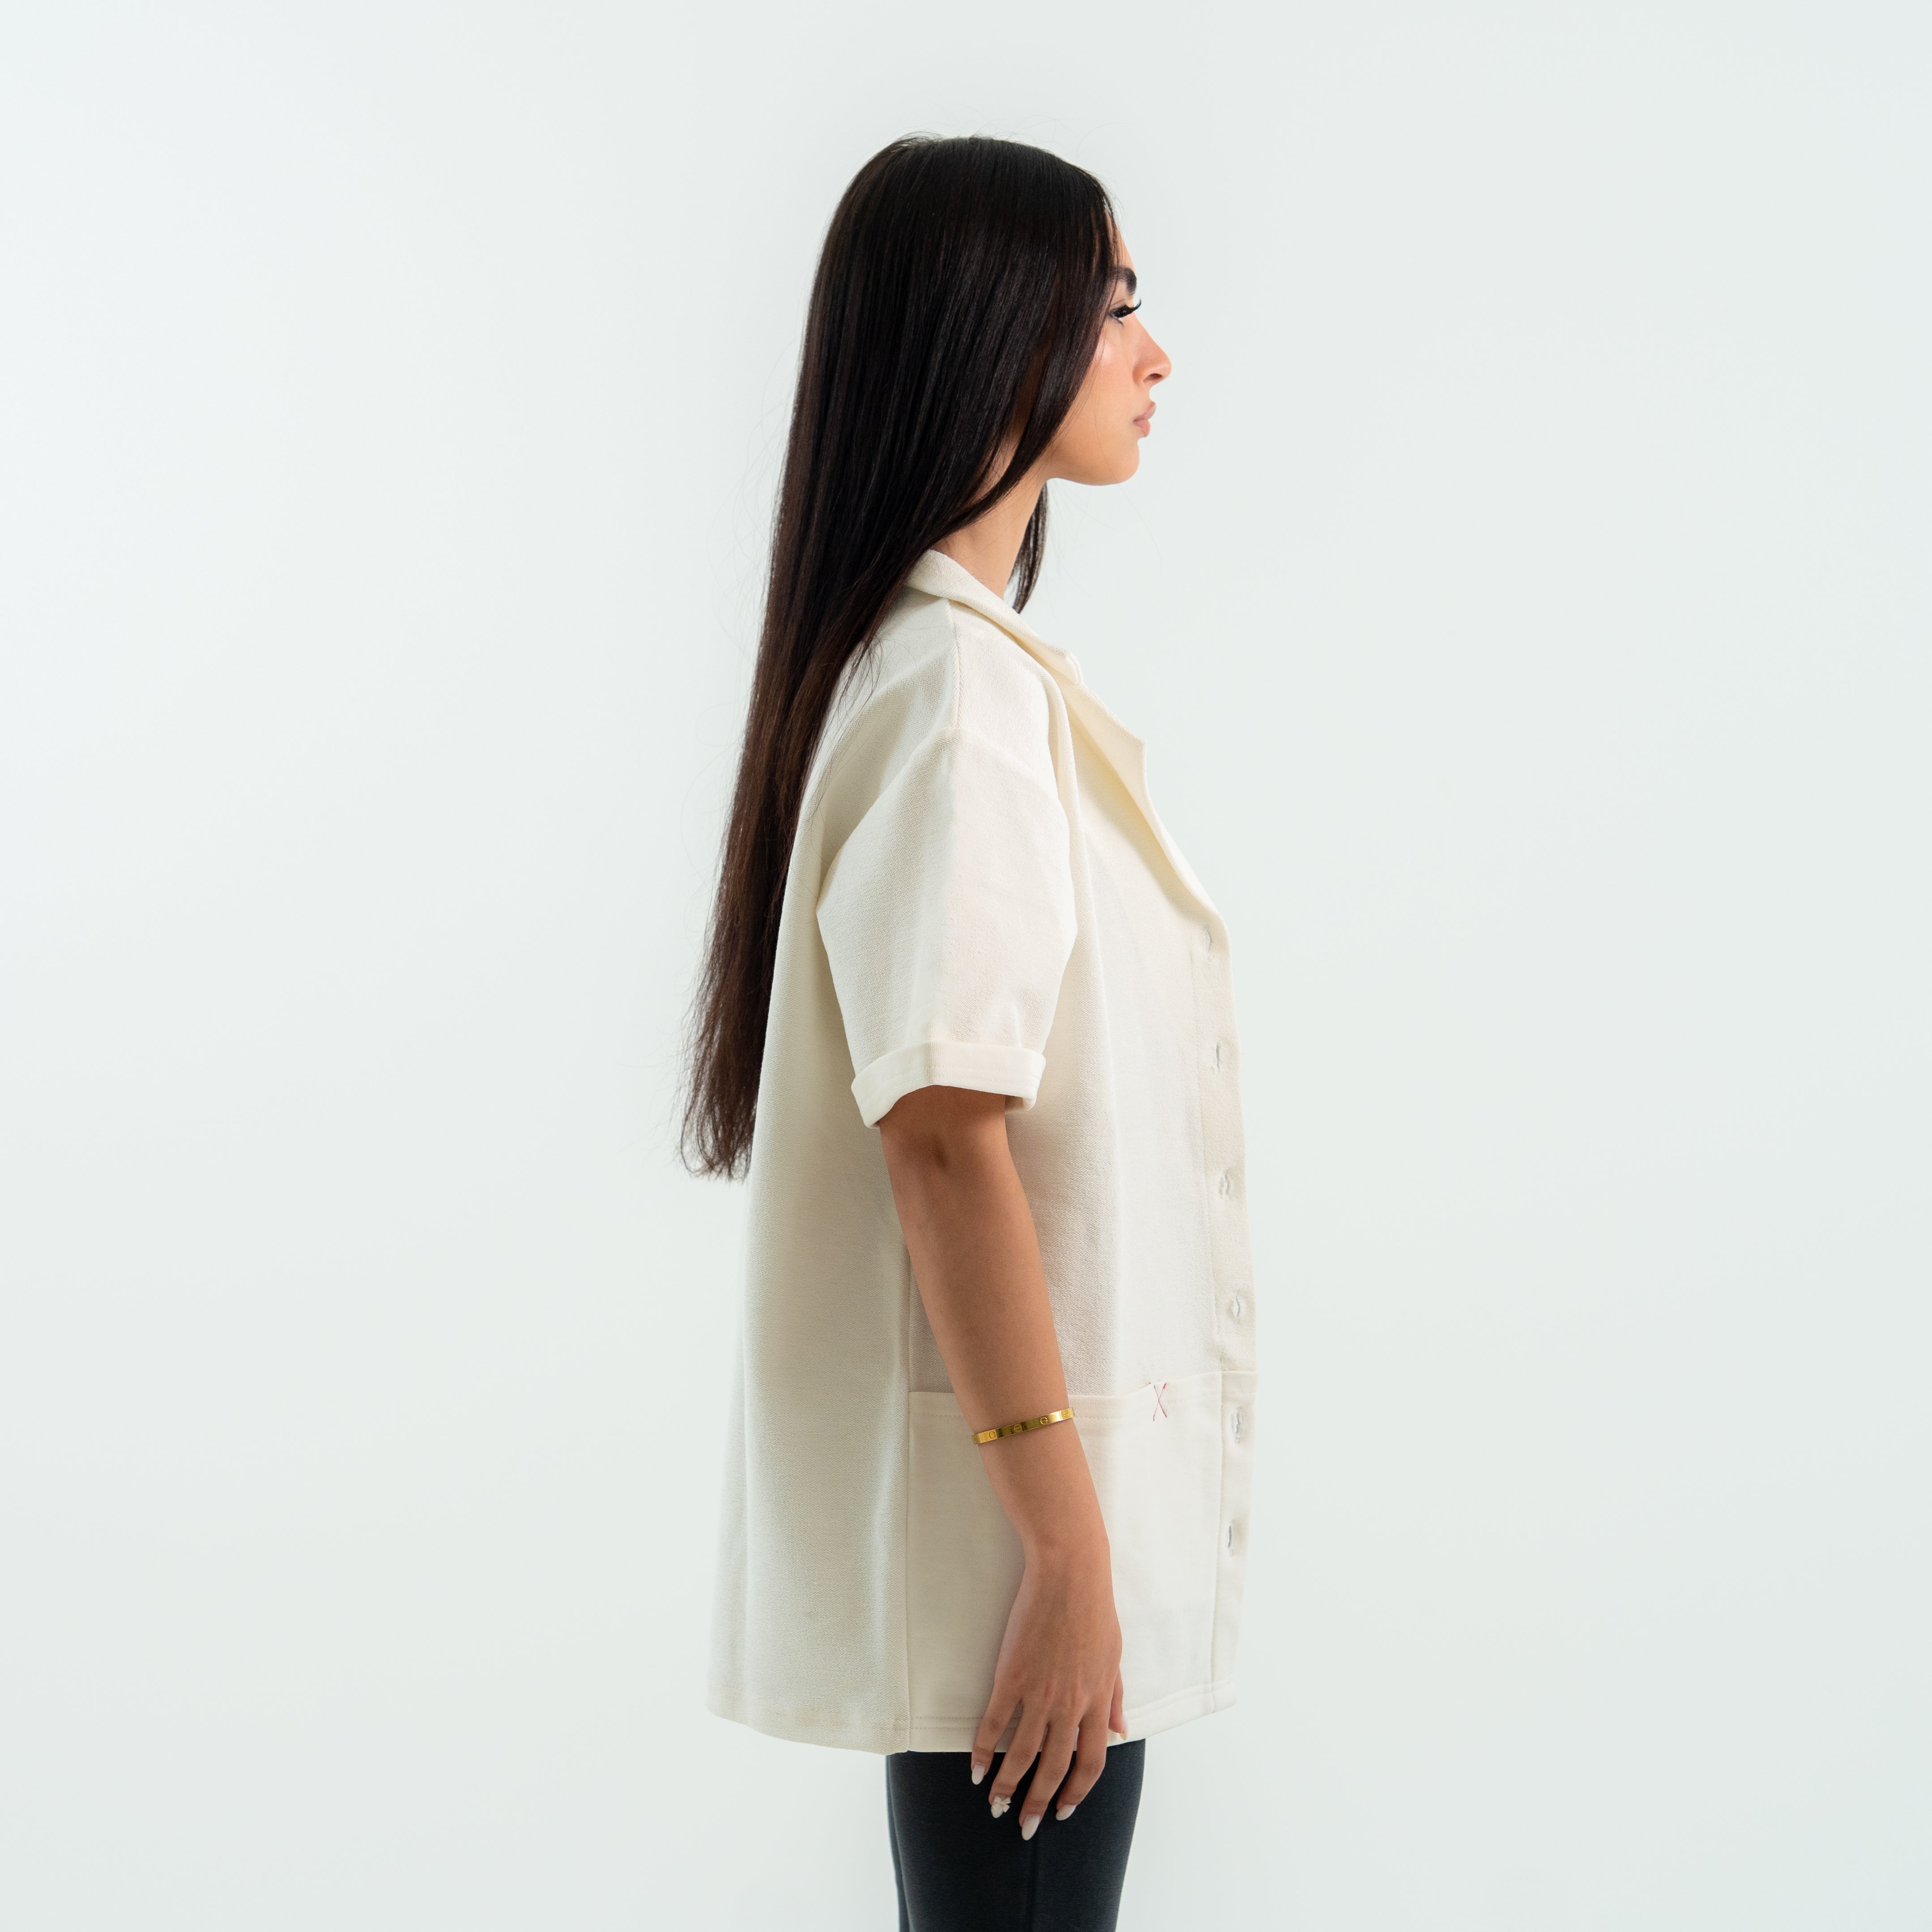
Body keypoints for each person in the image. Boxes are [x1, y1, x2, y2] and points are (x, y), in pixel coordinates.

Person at [683, 134, 1257, 1932]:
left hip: (1009, 1543)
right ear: (1000, 334)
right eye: (1116, 307)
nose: (1156, 354)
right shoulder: (958, 702)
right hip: (1022, 1564)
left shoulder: (937, 671)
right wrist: (1070, 1549)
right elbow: (941, 1134)